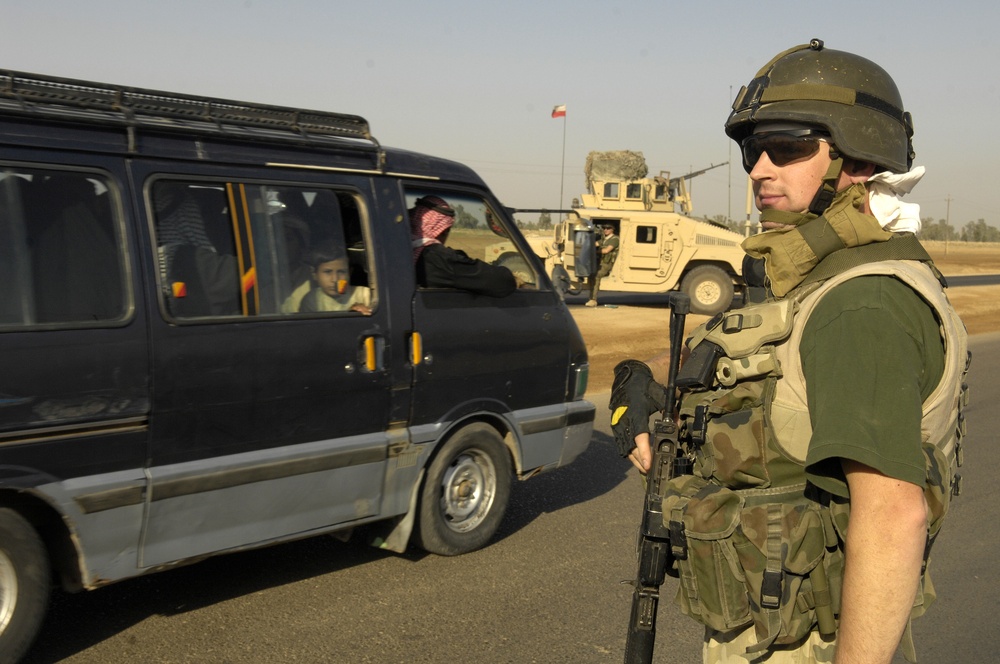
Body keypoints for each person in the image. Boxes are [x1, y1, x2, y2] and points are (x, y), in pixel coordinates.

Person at [609, 39, 969, 663]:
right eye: (753, 149)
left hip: (808, 646)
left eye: (789, 146)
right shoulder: (817, 279)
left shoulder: (860, 303)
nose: (758, 168)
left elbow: (892, 519)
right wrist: (649, 392)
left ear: (857, 153)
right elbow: (764, 382)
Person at [410, 195, 518, 297]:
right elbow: (501, 282)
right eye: (447, 230)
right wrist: (514, 278)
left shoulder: (406, 249)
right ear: (442, 230)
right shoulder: (436, 258)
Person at [288, 244, 372, 314]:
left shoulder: (364, 295)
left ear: (350, 273)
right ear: (314, 274)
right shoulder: (312, 300)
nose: (335, 279)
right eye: (327, 272)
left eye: (341, 272)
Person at [586, 223, 619, 307]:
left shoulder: (614, 239)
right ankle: (591, 297)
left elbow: (606, 251)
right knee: (591, 275)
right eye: (604, 228)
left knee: (596, 276)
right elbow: (596, 244)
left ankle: (593, 300)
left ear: (612, 229)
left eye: (608, 228)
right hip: (600, 263)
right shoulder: (604, 239)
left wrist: (594, 251)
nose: (605, 230)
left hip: (607, 264)